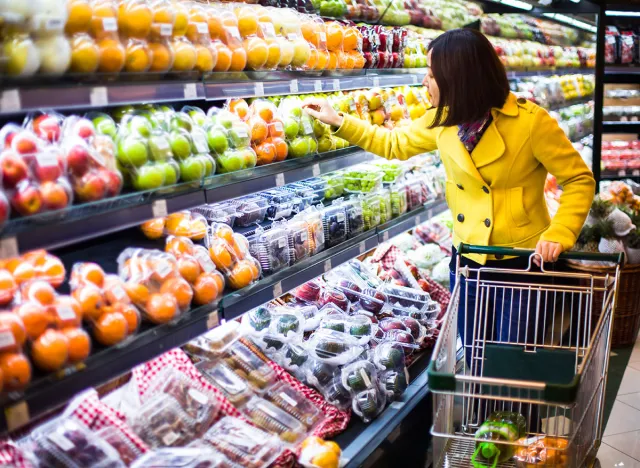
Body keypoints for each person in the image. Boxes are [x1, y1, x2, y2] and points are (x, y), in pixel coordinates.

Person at [303, 28, 595, 366]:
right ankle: (481, 417)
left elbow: (578, 179)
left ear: (460, 79)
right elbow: (393, 144)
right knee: (475, 356)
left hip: (522, 263)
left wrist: (560, 232)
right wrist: (339, 120)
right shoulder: (442, 121)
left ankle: (511, 417)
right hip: (468, 259)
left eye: (431, 75)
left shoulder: (531, 123)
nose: (424, 83)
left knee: (511, 361)